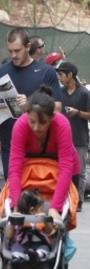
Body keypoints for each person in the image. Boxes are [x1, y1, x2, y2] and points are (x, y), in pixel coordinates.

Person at [0, 27, 62, 179]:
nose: (13, 55)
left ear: (28, 47)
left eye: (17, 50)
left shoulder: (46, 72)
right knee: (14, 194)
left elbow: (57, 107)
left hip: (39, 146)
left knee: (36, 196)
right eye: (10, 51)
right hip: (9, 144)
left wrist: (30, 105)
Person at [8, 85, 79, 222]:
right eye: (32, 121)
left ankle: (63, 238)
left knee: (63, 217)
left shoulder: (61, 125)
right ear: (26, 114)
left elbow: (65, 168)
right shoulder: (21, 126)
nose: (36, 127)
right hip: (30, 167)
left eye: (42, 122)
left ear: (52, 117)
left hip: (63, 166)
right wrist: (16, 206)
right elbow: (14, 169)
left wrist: (55, 208)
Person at [57, 61, 90, 212]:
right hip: (62, 138)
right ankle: (63, 198)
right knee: (62, 169)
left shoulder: (84, 93)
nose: (59, 77)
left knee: (80, 171)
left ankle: (78, 200)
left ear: (70, 75)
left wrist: (77, 112)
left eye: (61, 74)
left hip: (80, 138)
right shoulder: (59, 92)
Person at [5, 190, 54, 262]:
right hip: (22, 244)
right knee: (15, 247)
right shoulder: (17, 219)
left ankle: (37, 255)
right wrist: (13, 221)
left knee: (45, 247)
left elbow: (49, 232)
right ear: (32, 210)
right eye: (41, 209)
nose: (42, 211)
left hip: (40, 243)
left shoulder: (41, 218)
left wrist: (45, 220)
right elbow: (8, 236)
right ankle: (17, 258)